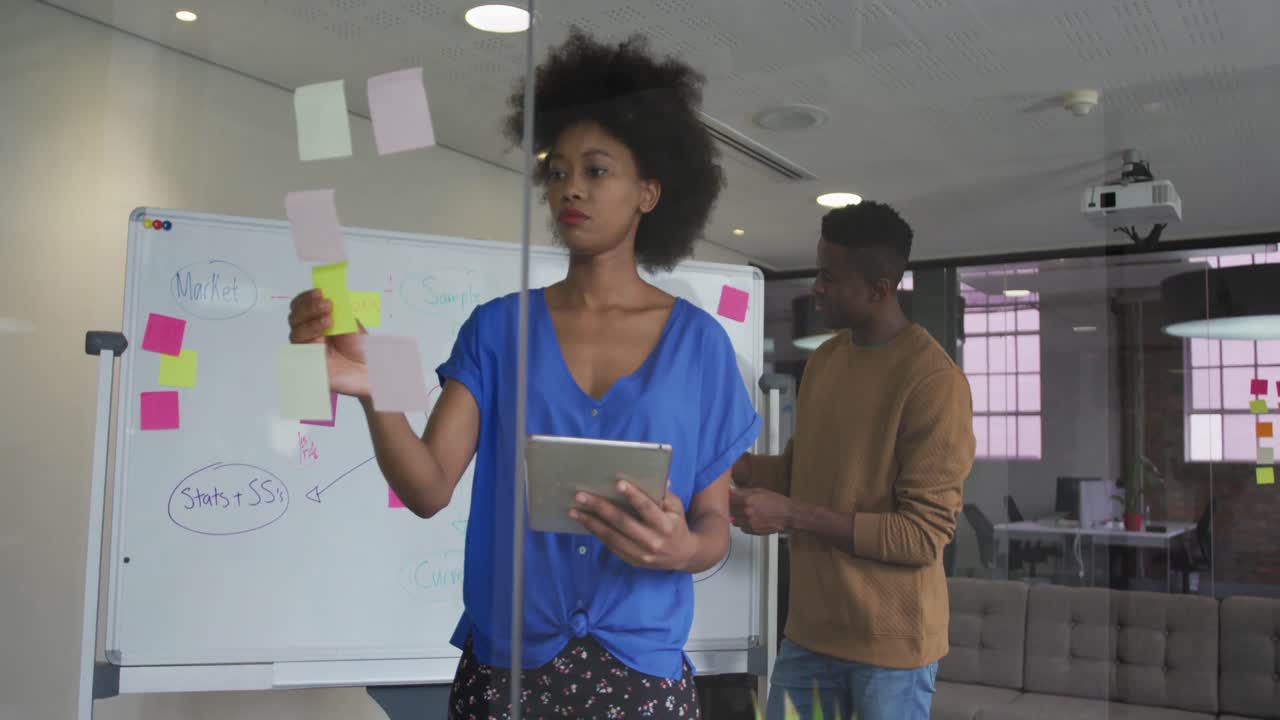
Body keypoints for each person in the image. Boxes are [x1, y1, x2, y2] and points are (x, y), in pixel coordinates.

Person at [288, 29, 760, 719]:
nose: (570, 187)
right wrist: (374, 388)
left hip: (642, 677)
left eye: (596, 170)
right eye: (558, 169)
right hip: (506, 672)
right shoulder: (497, 328)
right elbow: (426, 488)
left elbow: (714, 526)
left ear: (650, 193)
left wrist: (683, 546)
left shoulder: (700, 347)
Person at [730, 202, 974, 720]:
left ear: (880, 288)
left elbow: (923, 536)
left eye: (828, 276)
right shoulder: (825, 360)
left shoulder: (933, 382)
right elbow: (808, 473)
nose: (815, 286)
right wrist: (740, 468)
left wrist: (791, 515)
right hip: (809, 635)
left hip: (890, 653)